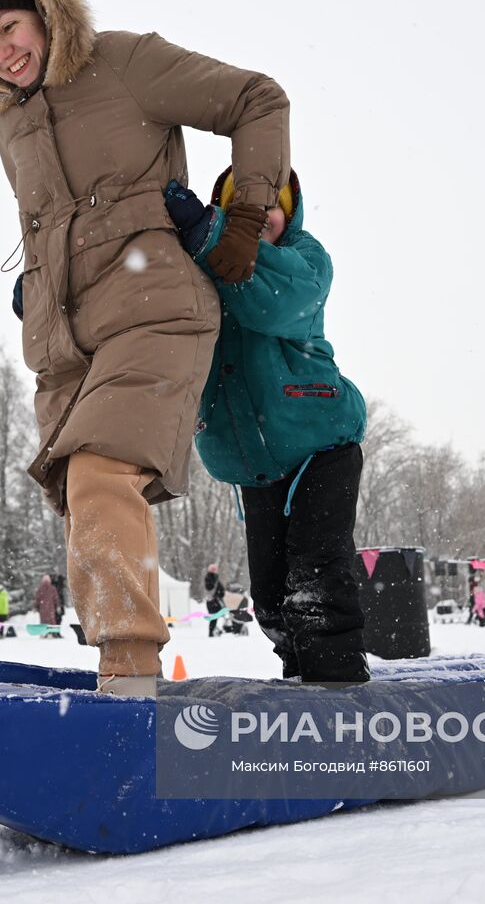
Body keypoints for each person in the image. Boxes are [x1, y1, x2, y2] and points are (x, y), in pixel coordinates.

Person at [0, 0, 290, 697]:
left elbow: (258, 98)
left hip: (156, 307)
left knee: (99, 470)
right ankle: (117, 667)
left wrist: (246, 217)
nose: (1, 50)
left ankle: (129, 673)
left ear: (45, 11)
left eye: (11, 27)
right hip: (69, 344)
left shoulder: (122, 62)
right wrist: (39, 287)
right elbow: (57, 220)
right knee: (84, 495)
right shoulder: (10, 124)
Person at [165, 167, 368, 682]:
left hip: (319, 440)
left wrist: (211, 235)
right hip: (252, 457)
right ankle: (298, 674)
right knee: (272, 595)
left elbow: (270, 302)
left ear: (290, 211)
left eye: (268, 208)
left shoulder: (305, 259)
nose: (257, 221)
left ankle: (336, 676)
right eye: (241, 212)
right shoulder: (200, 263)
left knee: (317, 572)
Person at [204, 565, 225, 638]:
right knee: (215, 617)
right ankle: (212, 632)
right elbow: (216, 588)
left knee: (214, 617)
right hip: (214, 601)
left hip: (211, 601)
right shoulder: (213, 579)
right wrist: (219, 594)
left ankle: (213, 631)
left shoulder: (208, 578)